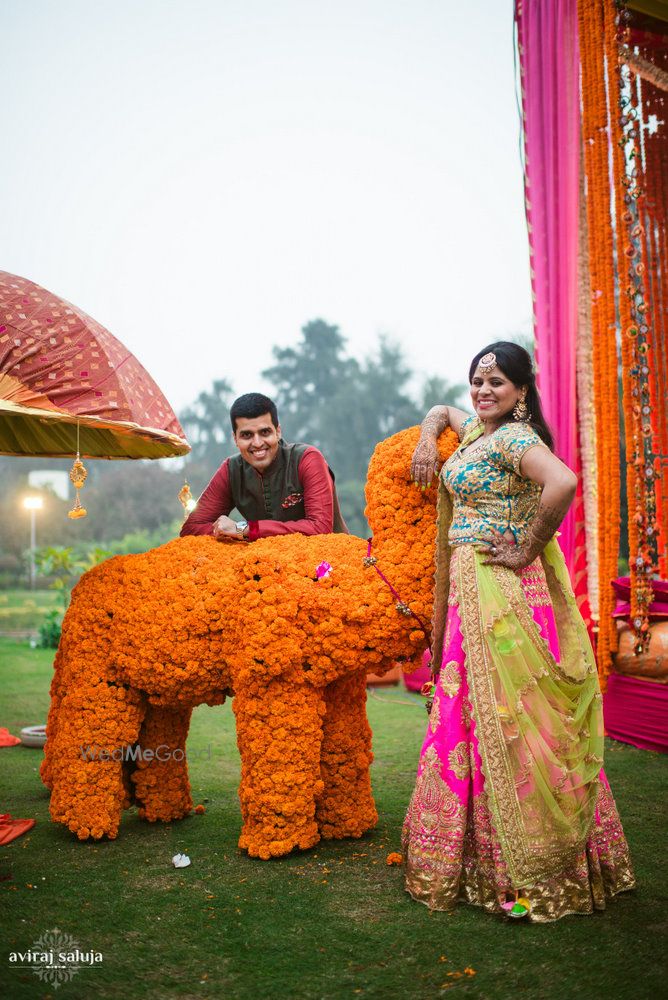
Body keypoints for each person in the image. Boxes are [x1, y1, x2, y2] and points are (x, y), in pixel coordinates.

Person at [402, 341, 635, 922]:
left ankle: (530, 864)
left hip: (500, 594)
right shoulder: (478, 429)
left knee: (514, 716)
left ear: (522, 392)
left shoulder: (513, 439)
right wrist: (431, 438)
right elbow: (440, 409)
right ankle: (475, 858)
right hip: (470, 593)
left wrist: (526, 546)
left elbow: (562, 482)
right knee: (475, 715)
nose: (482, 391)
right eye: (477, 380)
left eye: (497, 383)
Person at [180, 392, 347, 541]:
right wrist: (237, 534)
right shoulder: (232, 470)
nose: (258, 443)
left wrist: (244, 530)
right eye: (247, 435)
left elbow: (319, 529)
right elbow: (191, 529)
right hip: (266, 569)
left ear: (278, 431)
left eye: (265, 432)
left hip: (329, 567)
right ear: (235, 439)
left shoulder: (307, 459)